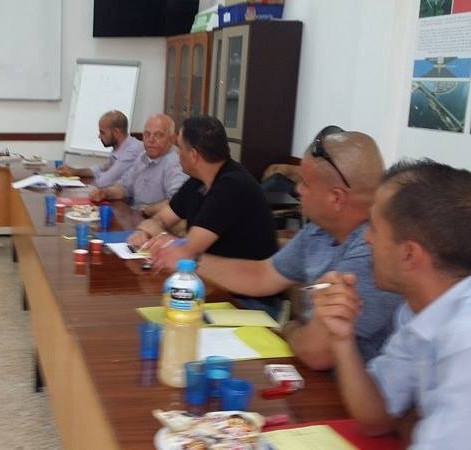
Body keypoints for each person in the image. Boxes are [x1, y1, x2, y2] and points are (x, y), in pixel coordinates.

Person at [193, 126, 402, 370]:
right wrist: (191, 262)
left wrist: (290, 328)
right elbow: (263, 275)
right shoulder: (319, 230)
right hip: (309, 373)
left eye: (305, 183)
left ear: (336, 198)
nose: (297, 190)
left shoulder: (373, 252)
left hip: (342, 387)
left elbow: (317, 354)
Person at [313, 159, 471, 447]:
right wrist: (342, 337)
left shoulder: (464, 340)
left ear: (409, 254)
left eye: (374, 227)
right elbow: (376, 418)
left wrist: (411, 424)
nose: (366, 238)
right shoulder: (416, 311)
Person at [127, 116, 279, 314]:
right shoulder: (198, 181)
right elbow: (160, 219)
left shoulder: (231, 186)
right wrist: (143, 232)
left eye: (180, 147)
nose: (177, 152)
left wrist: (164, 238)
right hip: (210, 287)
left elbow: (187, 250)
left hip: (245, 302)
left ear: (193, 155)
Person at [89, 114, 187, 214]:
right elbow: (125, 188)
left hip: (154, 219)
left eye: (158, 135)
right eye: (147, 134)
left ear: (172, 139)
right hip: (135, 215)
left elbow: (178, 202)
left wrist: (146, 210)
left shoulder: (176, 162)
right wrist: (104, 193)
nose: (151, 140)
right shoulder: (143, 157)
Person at [56, 110, 143, 187]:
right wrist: (75, 172)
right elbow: (102, 169)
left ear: (116, 132)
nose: (99, 136)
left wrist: (87, 181)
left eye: (102, 132)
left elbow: (104, 181)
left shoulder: (132, 151)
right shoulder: (118, 147)